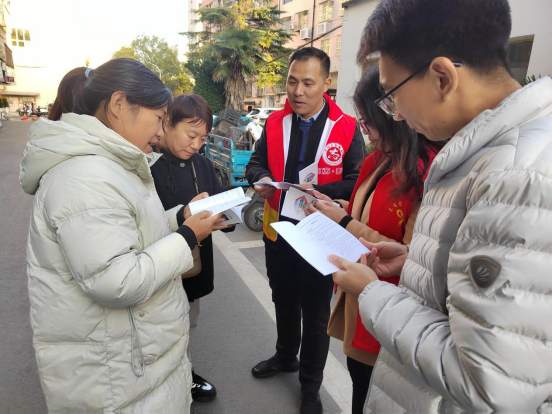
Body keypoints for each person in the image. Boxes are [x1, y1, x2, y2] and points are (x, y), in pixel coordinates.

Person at [329, 0, 552, 412]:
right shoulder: (481, 155)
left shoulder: (516, 176)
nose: (395, 114)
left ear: (442, 78)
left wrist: (373, 293)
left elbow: (487, 383)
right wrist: (419, 260)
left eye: (392, 95)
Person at [20, 58, 222, 413]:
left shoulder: (107, 164)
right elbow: (118, 280)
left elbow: (131, 231)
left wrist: (180, 217)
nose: (160, 132)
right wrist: (187, 236)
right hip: (114, 374)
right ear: (118, 104)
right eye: (159, 118)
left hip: (124, 358)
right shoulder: (85, 176)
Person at [306, 69, 442, 413]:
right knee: (360, 383)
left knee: (374, 393)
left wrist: (344, 221)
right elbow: (362, 212)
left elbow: (414, 254)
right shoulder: (378, 160)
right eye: (362, 121)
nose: (364, 129)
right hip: (361, 297)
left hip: (391, 306)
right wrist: (334, 207)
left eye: (368, 121)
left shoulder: (426, 171)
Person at [246, 47, 366, 414]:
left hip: (320, 238)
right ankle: (285, 356)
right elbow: (255, 162)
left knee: (315, 315)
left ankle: (310, 386)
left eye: (308, 83)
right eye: (292, 81)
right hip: (278, 232)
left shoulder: (346, 128)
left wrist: (320, 191)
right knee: (283, 300)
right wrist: (261, 178)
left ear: (326, 84)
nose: (297, 91)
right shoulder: (274, 122)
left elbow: (357, 181)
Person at [150, 93, 235, 403]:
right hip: (158, 266)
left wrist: (226, 218)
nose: (196, 145)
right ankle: (160, 383)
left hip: (194, 263)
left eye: (203, 138)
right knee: (158, 329)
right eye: (191, 135)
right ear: (168, 124)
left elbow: (220, 202)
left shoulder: (203, 164)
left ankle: (186, 373)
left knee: (188, 322)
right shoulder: (147, 163)